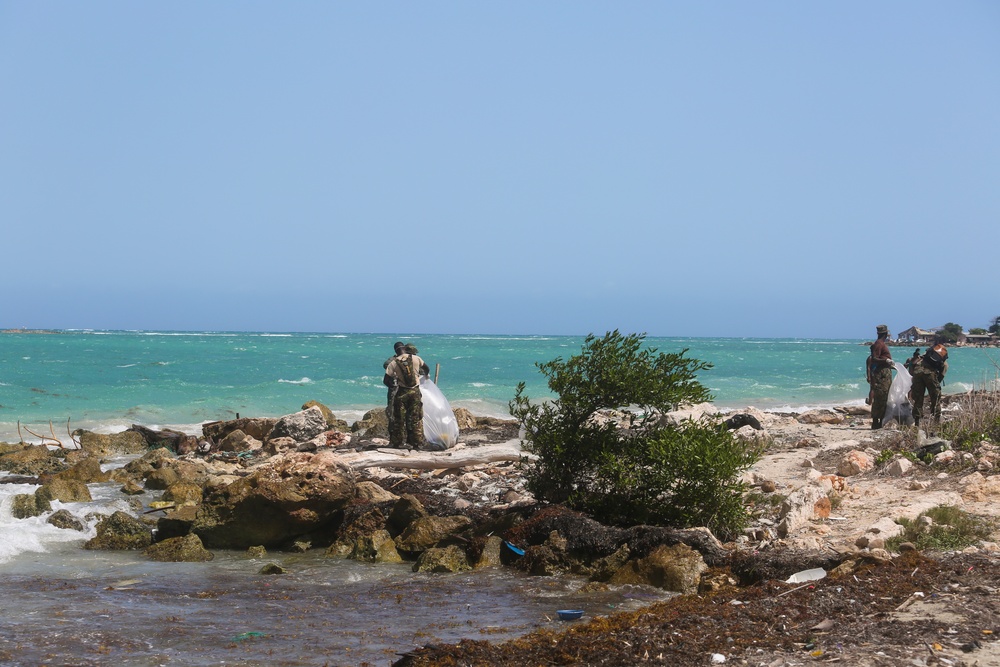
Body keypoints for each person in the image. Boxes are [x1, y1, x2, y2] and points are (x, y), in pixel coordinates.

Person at [383, 345, 428, 450]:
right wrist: (426, 376)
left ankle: (397, 443)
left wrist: (393, 386)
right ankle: (417, 443)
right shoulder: (416, 358)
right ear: (405, 349)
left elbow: (385, 380)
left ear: (396, 351)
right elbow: (426, 368)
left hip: (402, 393)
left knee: (399, 419)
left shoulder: (394, 362)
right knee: (415, 418)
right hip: (415, 392)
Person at [909, 343, 948, 428]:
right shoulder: (944, 363)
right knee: (935, 399)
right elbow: (940, 377)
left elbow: (913, 366)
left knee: (918, 399)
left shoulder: (924, 356)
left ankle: (917, 423)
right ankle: (936, 423)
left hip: (918, 371)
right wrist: (935, 384)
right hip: (930, 374)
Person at [868, 324, 894, 429]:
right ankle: (876, 421)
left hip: (884, 371)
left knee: (884, 396)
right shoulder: (879, 344)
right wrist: (886, 360)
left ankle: (880, 421)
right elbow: (874, 358)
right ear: (886, 334)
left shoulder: (881, 343)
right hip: (881, 374)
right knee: (881, 396)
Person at [383, 341, 406, 432]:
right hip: (396, 388)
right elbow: (386, 365)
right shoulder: (394, 360)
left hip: (398, 388)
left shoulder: (406, 359)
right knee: (394, 411)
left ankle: (396, 433)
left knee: (394, 412)